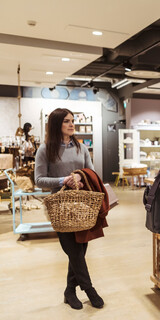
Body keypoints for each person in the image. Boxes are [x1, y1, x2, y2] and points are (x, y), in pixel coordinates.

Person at [34, 108, 105, 310]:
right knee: (73, 250)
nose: (72, 124)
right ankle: (90, 290)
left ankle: (69, 291)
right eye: (66, 121)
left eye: (72, 121)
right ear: (57, 125)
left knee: (80, 250)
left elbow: (91, 172)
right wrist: (62, 180)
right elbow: (38, 180)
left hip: (83, 207)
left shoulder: (80, 147)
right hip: (60, 208)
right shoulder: (45, 149)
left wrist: (82, 178)